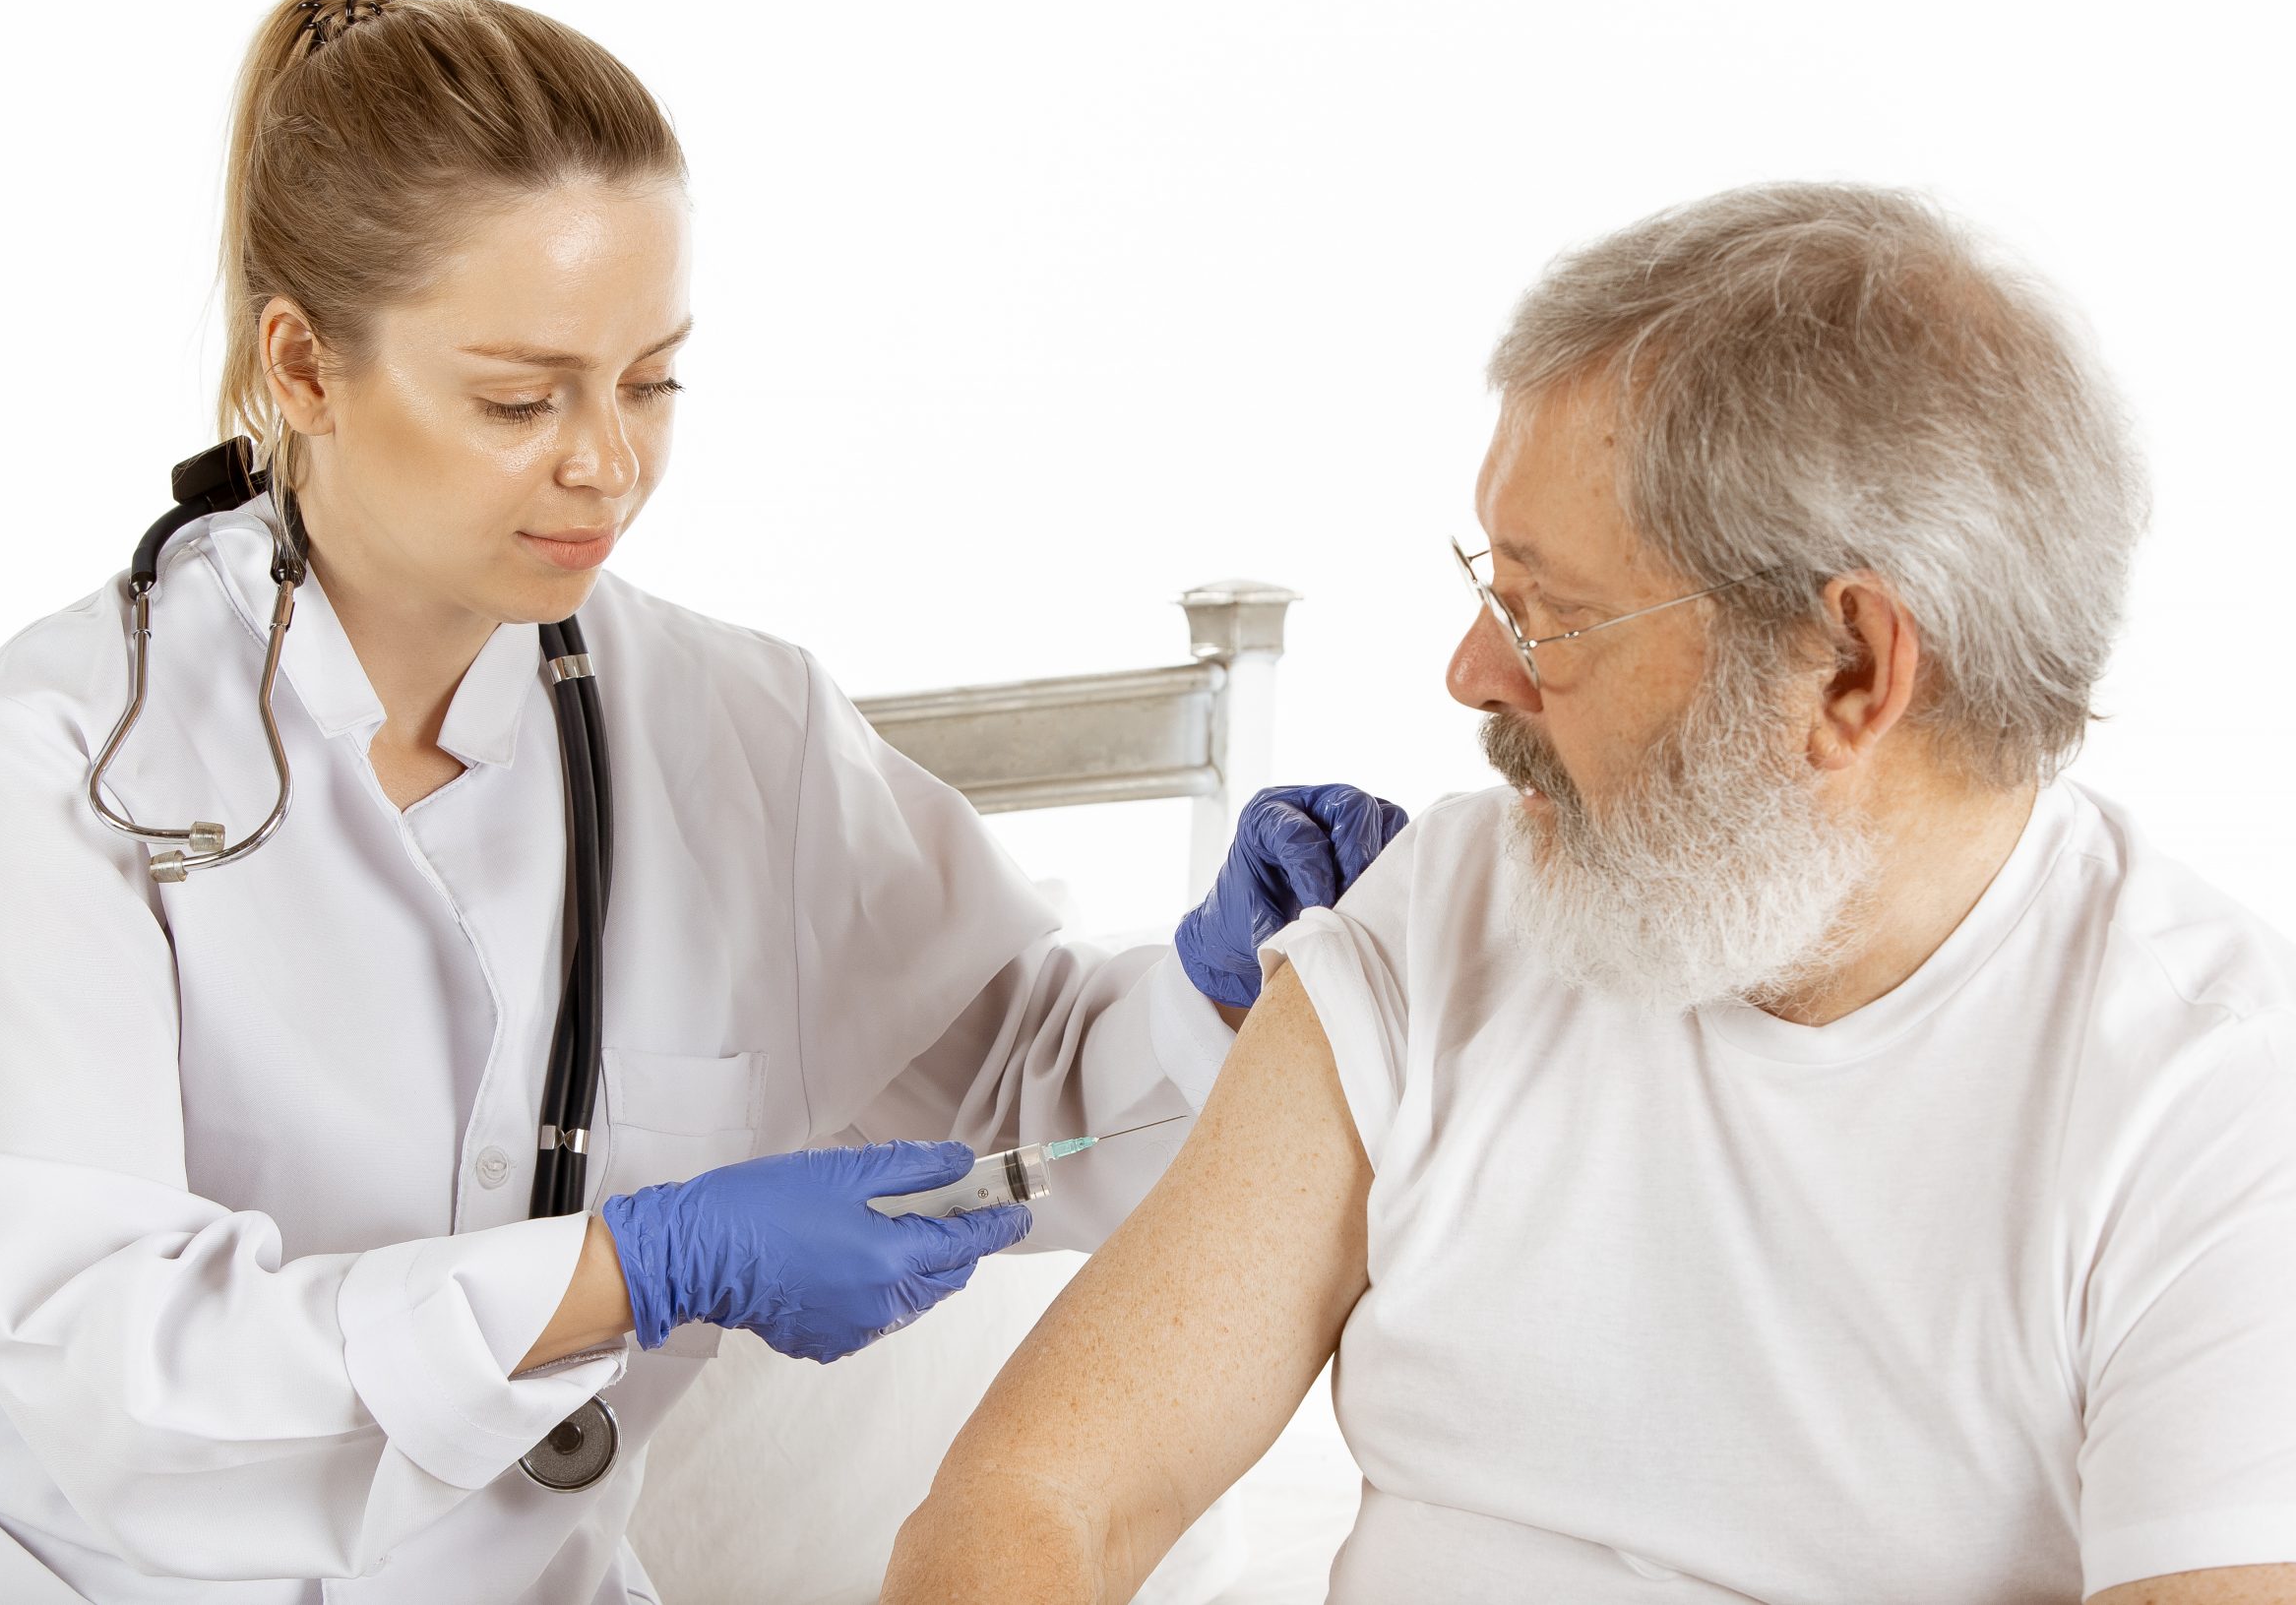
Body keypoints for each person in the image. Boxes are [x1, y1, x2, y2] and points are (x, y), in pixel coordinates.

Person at [0, 0, 1400, 1605]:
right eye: (519, 399)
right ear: (305, 365)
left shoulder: (732, 727)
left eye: (651, 382)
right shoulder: (65, 753)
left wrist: (1217, 991)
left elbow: (1026, 1079)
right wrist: (640, 1266)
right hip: (29, 1568)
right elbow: (120, 1371)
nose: (606, 463)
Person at [883, 183, 2296, 1604]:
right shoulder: (1451, 913)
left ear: (1853, 670)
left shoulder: (2209, 1106)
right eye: (1488, 584)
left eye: (1547, 615)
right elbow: (1044, 1497)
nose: (1472, 674)